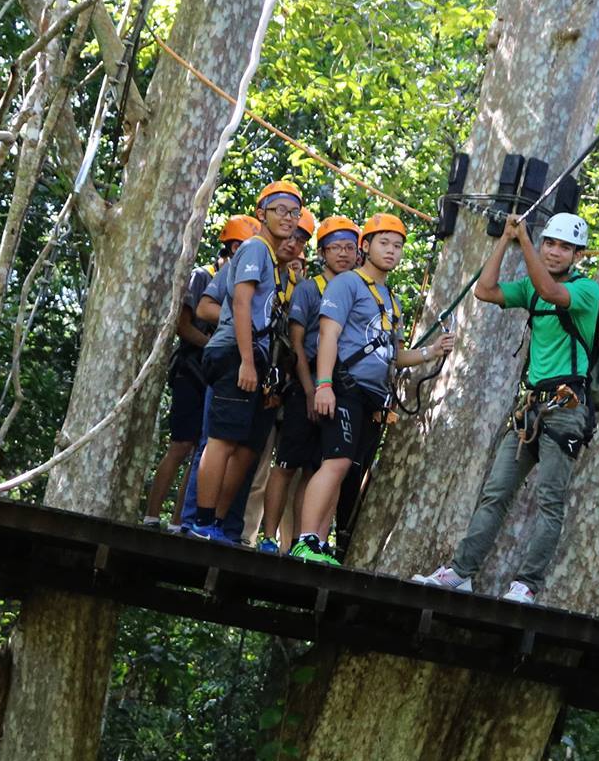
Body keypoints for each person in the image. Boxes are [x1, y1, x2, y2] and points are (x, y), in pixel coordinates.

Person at [413, 211, 598, 602]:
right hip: (531, 408)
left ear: (578, 255)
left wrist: (525, 240)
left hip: (566, 408)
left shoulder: (586, 291)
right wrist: (506, 239)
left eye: (565, 247)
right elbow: (485, 290)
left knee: (549, 500)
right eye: (550, 243)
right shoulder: (530, 287)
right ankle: (461, 572)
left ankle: (526, 585)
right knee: (495, 493)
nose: (554, 252)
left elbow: (550, 292)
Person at [291, 212, 453, 564]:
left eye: (398, 246)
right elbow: (328, 335)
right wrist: (323, 385)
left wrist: (431, 351)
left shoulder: (390, 299)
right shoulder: (347, 284)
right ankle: (304, 540)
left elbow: (394, 355)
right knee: (335, 462)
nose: (392, 251)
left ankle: (319, 544)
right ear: (365, 246)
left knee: (344, 467)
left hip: (372, 395)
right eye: (384, 243)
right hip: (344, 386)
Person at [187, 181, 299, 542]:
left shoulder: (274, 262)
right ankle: (202, 521)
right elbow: (240, 303)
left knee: (246, 448)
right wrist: (247, 362)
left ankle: (217, 523)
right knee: (222, 440)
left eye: (294, 213)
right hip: (237, 353)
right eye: (280, 210)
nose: (288, 218)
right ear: (261, 213)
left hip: (258, 357)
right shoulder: (254, 248)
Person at [255, 214, 359, 553]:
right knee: (287, 463)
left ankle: (302, 541)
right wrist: (311, 390)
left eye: (349, 248)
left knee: (316, 468)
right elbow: (297, 344)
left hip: (339, 391)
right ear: (323, 252)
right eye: (335, 247)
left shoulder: (359, 291)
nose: (343, 254)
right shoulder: (309, 289)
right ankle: (268, 537)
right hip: (307, 386)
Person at [145, 215, 254, 524]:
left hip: (217, 373)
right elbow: (182, 325)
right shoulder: (203, 276)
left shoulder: (242, 283)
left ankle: (180, 520)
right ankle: (152, 516)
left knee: (201, 451)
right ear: (235, 247)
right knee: (180, 445)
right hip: (191, 369)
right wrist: (216, 344)